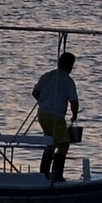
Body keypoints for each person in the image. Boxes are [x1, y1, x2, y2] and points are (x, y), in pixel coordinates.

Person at [32, 51, 80, 181]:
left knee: (51, 143)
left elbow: (35, 92)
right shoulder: (68, 80)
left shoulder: (47, 76)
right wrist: (74, 115)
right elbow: (74, 101)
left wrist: (44, 101)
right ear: (70, 66)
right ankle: (57, 175)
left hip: (42, 115)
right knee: (64, 144)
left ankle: (44, 173)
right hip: (55, 116)